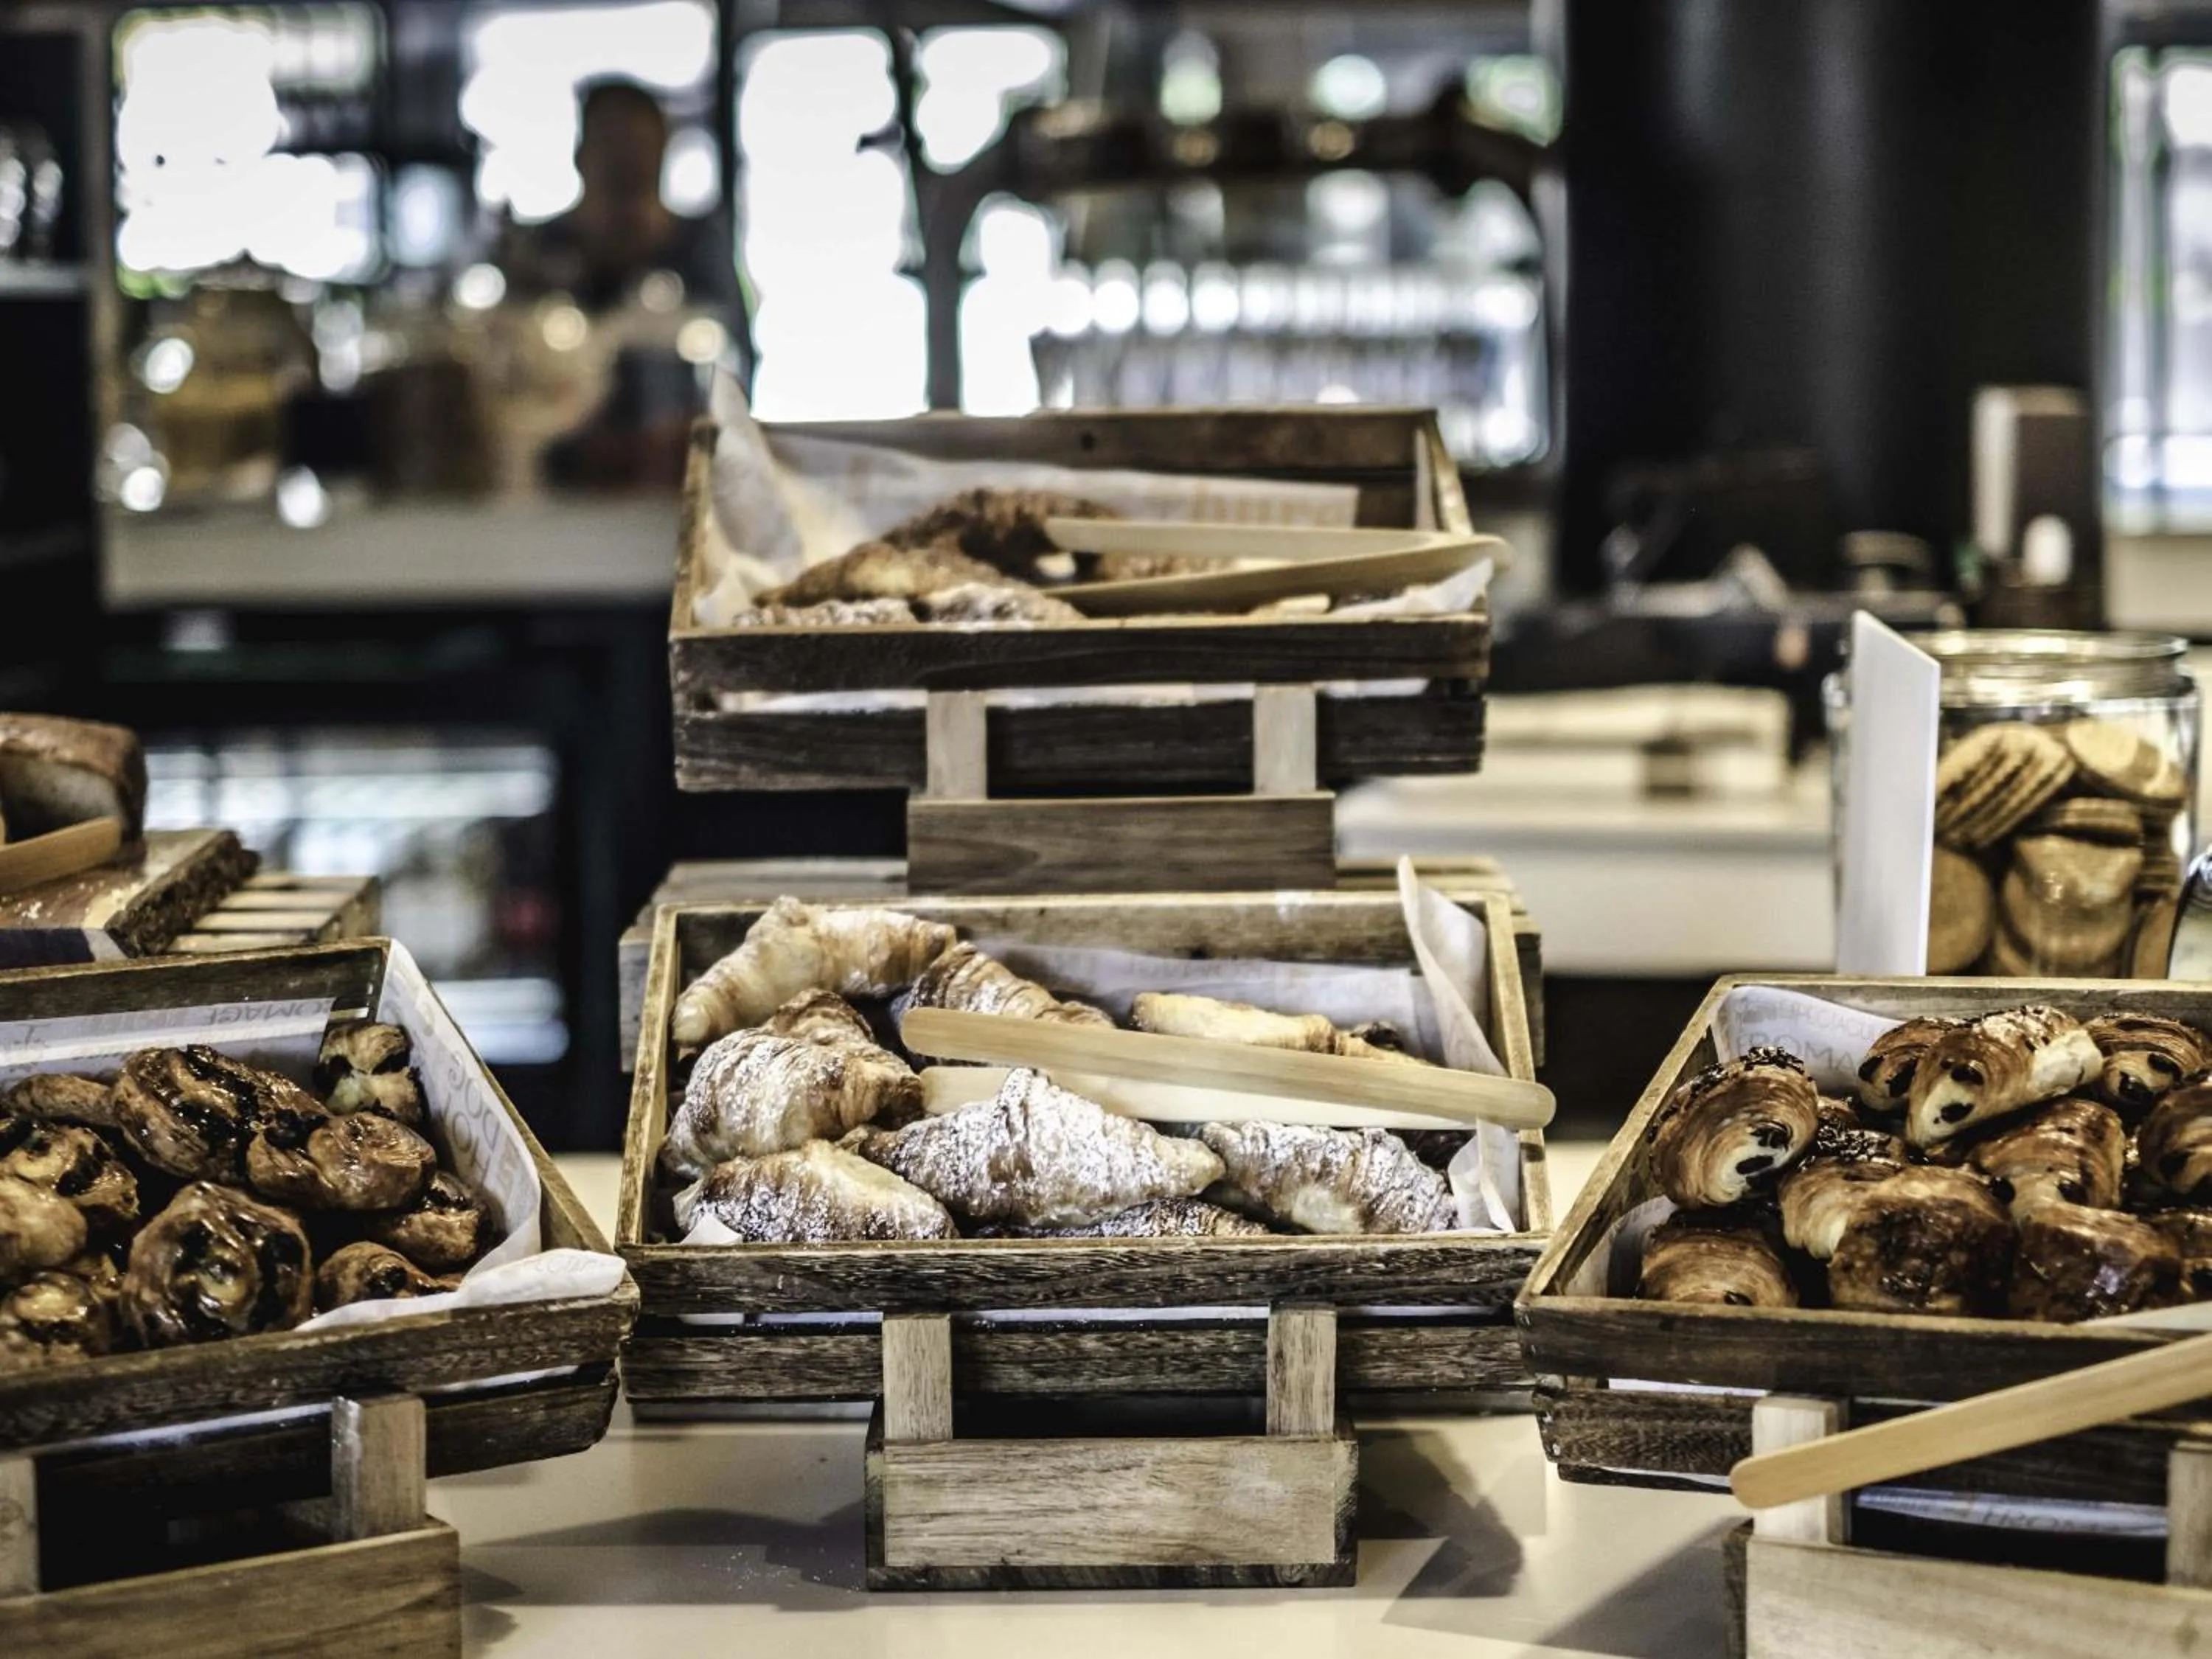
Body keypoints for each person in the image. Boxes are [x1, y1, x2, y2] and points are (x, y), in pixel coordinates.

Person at [501, 80, 740, 488]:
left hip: (680, 476)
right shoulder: (537, 253)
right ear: (582, 156)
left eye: (641, 150)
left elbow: (733, 358)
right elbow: (508, 373)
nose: (628, 165)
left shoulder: (700, 248)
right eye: (613, 149)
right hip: (557, 480)